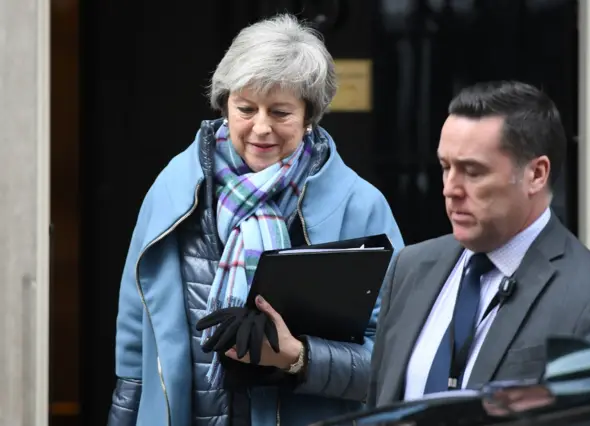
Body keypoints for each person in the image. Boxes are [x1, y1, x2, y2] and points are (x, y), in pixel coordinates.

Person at [107, 14, 404, 426]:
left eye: (280, 112)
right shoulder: (175, 188)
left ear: (309, 115)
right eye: (245, 108)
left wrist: (300, 357)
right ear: (224, 103)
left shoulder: (360, 205)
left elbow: (397, 356)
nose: (260, 128)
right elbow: (134, 344)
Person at [368, 80, 590, 407]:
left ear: (536, 174)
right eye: (445, 167)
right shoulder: (409, 268)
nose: (450, 189)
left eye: (473, 171)